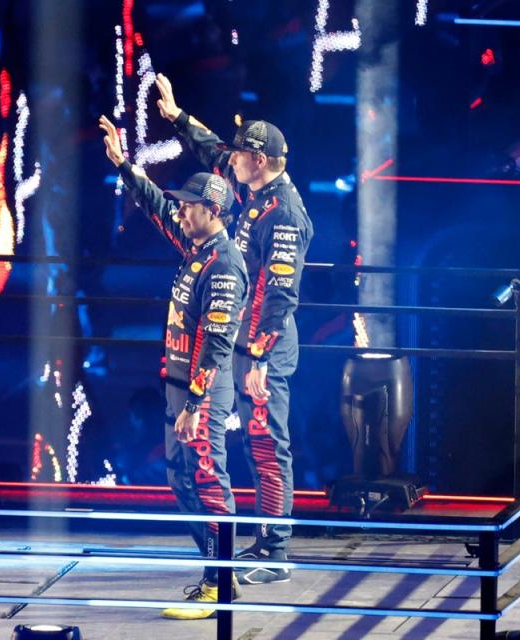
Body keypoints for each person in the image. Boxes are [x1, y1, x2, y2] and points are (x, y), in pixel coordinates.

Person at [155, 74, 314, 584]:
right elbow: (211, 152)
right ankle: (256, 544)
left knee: (267, 442)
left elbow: (281, 292)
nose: (232, 158)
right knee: (248, 444)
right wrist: (177, 115)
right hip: (241, 347)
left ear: (260, 160)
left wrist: (260, 358)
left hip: (262, 350)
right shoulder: (252, 188)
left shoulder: (283, 213)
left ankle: (275, 549)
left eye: (241, 153)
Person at [100, 115, 248, 619]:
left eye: (189, 206)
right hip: (179, 387)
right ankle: (214, 574)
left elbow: (219, 341)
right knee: (181, 479)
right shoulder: (196, 245)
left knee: (208, 478)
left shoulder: (223, 264)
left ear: (212, 210)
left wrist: (195, 403)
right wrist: (124, 166)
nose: (180, 212)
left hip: (199, 392)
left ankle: (220, 584)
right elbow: (158, 207)